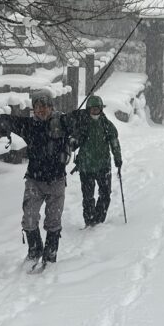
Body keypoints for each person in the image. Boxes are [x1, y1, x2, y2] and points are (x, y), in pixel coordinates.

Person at [0, 86, 73, 266]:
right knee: (29, 218)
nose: (41, 110)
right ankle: (35, 249)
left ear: (51, 106)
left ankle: (50, 253)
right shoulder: (29, 125)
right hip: (34, 180)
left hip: (56, 180)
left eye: (44, 106)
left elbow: (80, 123)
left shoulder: (62, 122)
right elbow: (9, 121)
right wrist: (2, 121)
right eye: (37, 106)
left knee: (53, 220)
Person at [70, 94, 122, 227]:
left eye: (97, 108)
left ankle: (99, 219)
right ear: (88, 109)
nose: (95, 111)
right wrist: (73, 137)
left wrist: (118, 158)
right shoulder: (82, 123)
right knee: (88, 196)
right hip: (86, 166)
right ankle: (89, 220)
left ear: (101, 109)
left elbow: (114, 142)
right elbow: (73, 142)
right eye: (92, 109)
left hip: (103, 166)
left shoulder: (106, 124)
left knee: (105, 194)